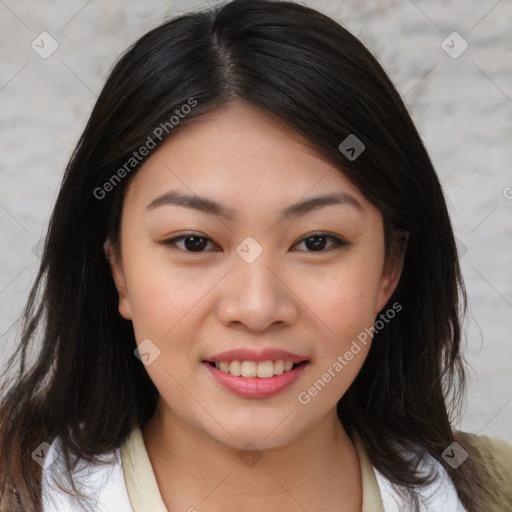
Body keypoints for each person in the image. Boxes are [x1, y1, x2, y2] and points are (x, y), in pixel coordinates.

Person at [1, 1, 511, 511]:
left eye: (316, 241)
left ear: (389, 268)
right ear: (118, 270)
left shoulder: (494, 491)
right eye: (194, 242)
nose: (257, 307)